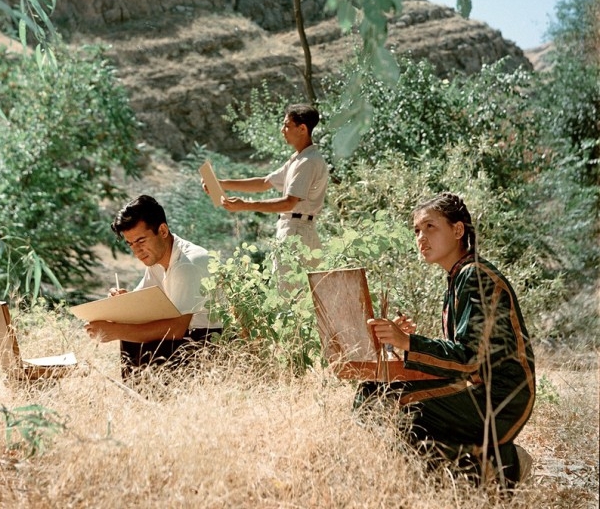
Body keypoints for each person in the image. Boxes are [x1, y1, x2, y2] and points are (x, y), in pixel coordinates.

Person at [360, 192, 535, 489]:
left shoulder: (475, 275)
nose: (420, 237)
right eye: (416, 230)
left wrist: (408, 343)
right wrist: (404, 342)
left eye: (430, 227)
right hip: (478, 390)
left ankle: (501, 469)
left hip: (501, 400)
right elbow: (460, 359)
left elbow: (465, 359)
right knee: (372, 392)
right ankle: (479, 468)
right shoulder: (458, 279)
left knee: (395, 404)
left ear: (457, 230)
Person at [84, 194, 220, 377]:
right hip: (189, 336)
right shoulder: (158, 257)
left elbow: (176, 329)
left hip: (211, 341)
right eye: (130, 244)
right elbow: (144, 303)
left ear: (163, 231)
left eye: (141, 241)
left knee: (133, 336)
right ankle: (140, 396)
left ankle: (148, 397)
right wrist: (122, 302)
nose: (137, 251)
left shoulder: (187, 264)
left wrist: (115, 331)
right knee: (132, 334)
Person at [209, 103, 328, 256]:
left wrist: (245, 205)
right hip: (293, 228)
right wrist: (221, 184)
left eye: (287, 126)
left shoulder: (307, 162)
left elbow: (288, 203)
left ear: (302, 129)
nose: (282, 130)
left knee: (290, 280)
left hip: (298, 232)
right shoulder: (298, 159)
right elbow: (264, 183)